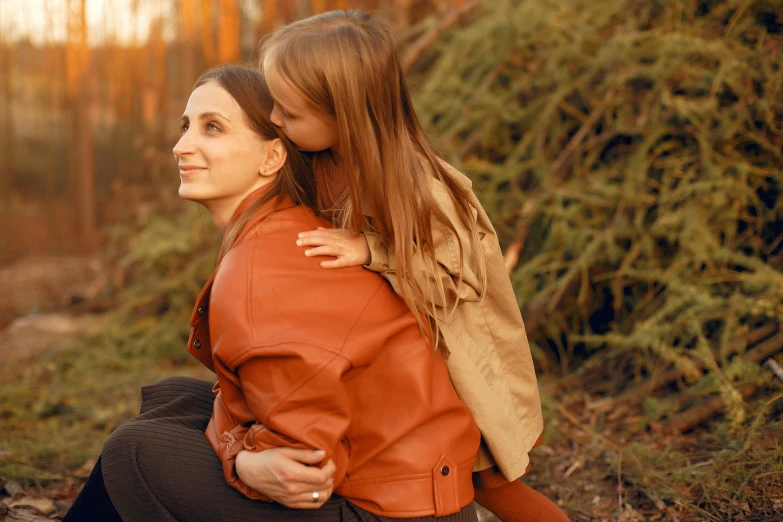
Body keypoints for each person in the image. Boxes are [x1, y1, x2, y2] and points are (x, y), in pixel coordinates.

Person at [62, 64, 482, 522]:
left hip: (390, 511)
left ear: (272, 158)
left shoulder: (262, 266)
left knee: (135, 452)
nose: (182, 146)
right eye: (186, 126)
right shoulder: (286, 225)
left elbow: (308, 462)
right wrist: (235, 449)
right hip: (420, 489)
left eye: (213, 128)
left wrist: (241, 461)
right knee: (175, 397)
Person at [260, 10, 570, 522]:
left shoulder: (417, 186)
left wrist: (371, 250)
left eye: (289, 113)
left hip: (447, 375)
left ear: (345, 115)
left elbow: (456, 279)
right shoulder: (318, 163)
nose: (275, 118)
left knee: (489, 482)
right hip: (389, 373)